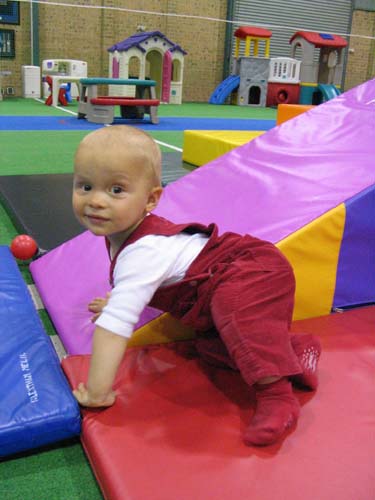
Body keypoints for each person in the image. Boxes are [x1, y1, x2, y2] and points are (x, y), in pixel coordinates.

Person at [72, 125, 321, 446]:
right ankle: (297, 351)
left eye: (116, 190)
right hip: (222, 284)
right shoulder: (123, 236)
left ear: (151, 199)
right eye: (85, 186)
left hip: (250, 269)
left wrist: (97, 391)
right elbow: (148, 281)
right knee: (211, 347)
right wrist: (117, 300)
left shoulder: (141, 250)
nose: (96, 201)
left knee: (234, 311)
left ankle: (277, 395)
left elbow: (113, 329)